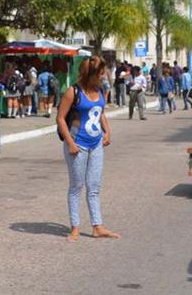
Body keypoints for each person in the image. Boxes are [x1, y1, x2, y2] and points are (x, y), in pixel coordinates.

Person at [56, 56, 119, 243]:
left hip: (96, 144)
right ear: (89, 74)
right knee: (76, 187)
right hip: (78, 144)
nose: (102, 77)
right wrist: (70, 142)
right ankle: (75, 227)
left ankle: (97, 226)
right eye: (100, 74)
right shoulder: (73, 91)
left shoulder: (99, 90)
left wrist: (107, 131)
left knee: (94, 187)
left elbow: (100, 113)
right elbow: (60, 118)